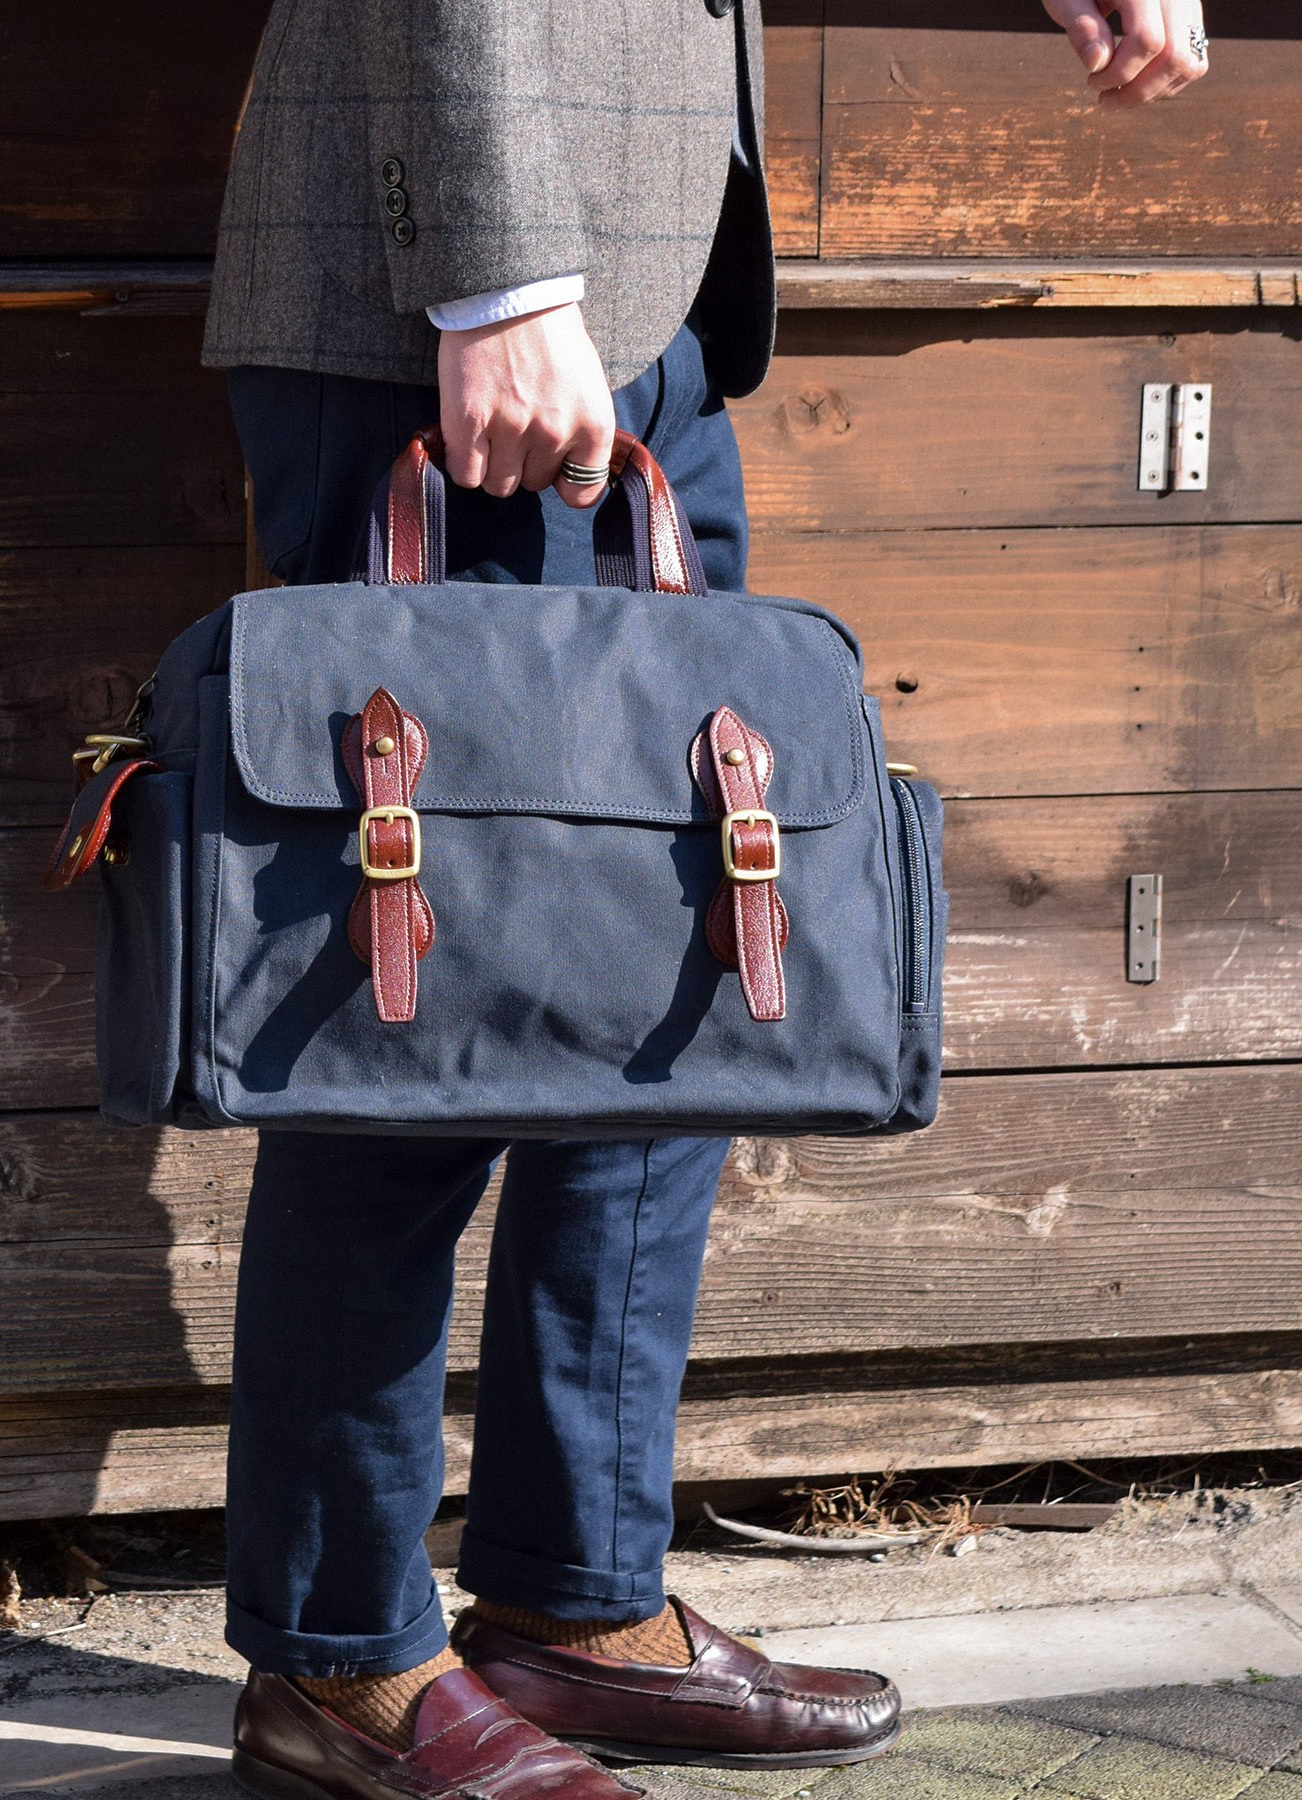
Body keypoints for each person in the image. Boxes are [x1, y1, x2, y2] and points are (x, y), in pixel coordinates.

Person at [199, 4, 1208, 1795]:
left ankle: (573, 1603)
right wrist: (498, 272)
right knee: (405, 1021)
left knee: (674, 973)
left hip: (646, 298)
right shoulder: (486, 283)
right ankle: (338, 1659)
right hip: (456, 291)